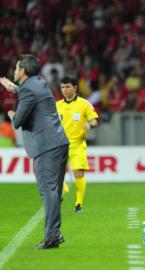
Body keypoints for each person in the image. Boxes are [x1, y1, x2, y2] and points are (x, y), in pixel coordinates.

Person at [0, 54, 69, 249]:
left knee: (48, 191)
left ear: (23, 71)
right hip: (59, 143)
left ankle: (52, 236)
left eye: (16, 68)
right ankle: (54, 233)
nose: (13, 71)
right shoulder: (40, 82)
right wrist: (14, 89)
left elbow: (19, 120)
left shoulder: (29, 89)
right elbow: (29, 91)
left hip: (46, 146)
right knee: (54, 192)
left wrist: (12, 114)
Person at [56, 76, 98, 213]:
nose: (65, 90)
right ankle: (63, 189)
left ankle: (79, 203)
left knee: (78, 173)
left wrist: (89, 124)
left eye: (67, 87)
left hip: (77, 144)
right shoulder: (57, 105)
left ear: (75, 88)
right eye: (62, 87)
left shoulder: (84, 104)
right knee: (55, 173)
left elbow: (95, 120)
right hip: (60, 143)